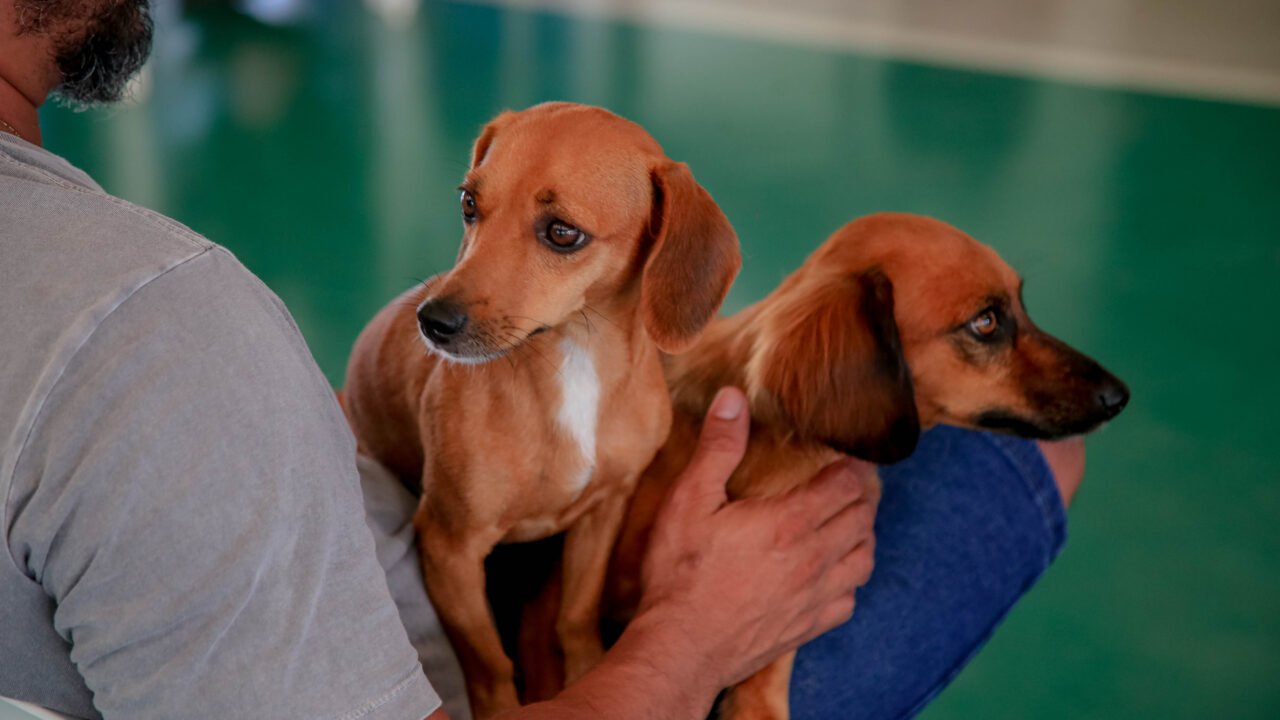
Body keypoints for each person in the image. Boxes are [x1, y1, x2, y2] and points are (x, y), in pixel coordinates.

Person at [0, 2, 1083, 719]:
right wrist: (692, 635)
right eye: (479, 216)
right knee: (1041, 450)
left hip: (452, 547)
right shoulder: (148, 321)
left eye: (554, 234)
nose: (457, 284)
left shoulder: (112, 313)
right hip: (487, 651)